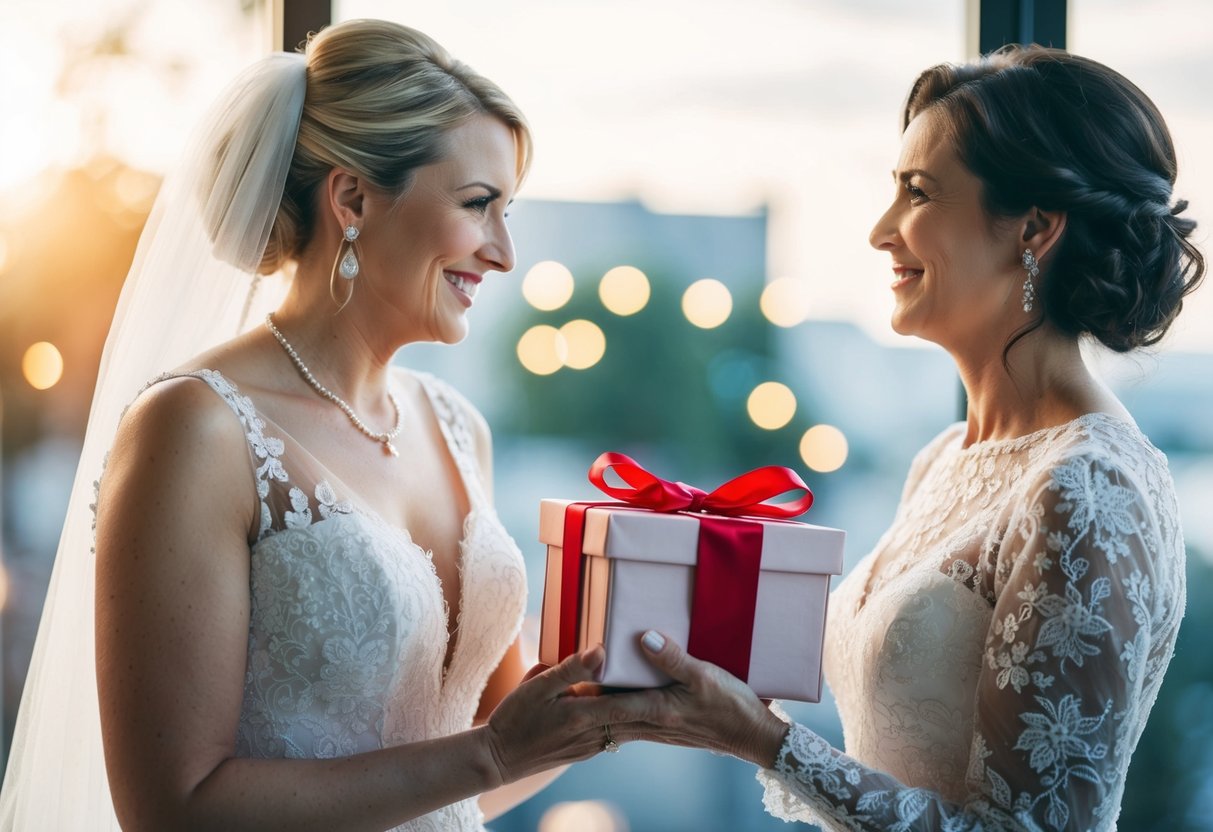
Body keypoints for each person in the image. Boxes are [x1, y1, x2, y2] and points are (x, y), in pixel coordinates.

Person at [0, 19, 626, 831]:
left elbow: (483, 759)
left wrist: (611, 703)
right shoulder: (195, 429)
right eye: (479, 206)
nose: (503, 252)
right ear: (353, 199)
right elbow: (170, 810)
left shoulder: (459, 428)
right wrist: (493, 754)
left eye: (507, 211)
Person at [607, 46, 1204, 830]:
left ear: (1033, 228)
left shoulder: (1086, 489)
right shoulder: (942, 458)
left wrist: (757, 738)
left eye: (915, 193)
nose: (880, 231)